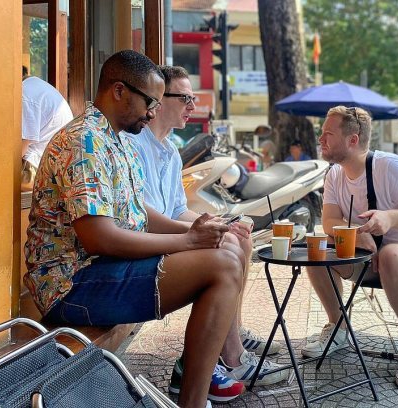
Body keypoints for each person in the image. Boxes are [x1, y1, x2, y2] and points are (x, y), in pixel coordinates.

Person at [24, 50, 240, 408]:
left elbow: (137, 211)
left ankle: (195, 387)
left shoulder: (119, 139)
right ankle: (194, 400)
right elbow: (100, 237)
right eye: (149, 102)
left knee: (227, 250)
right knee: (223, 264)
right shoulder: (84, 141)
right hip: (69, 284)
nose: (153, 112)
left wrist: (196, 231)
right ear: (119, 91)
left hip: (99, 271)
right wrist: (186, 240)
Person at [125, 66, 287, 401]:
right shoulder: (131, 142)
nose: (191, 106)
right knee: (226, 247)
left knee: (238, 235)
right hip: (146, 244)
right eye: (184, 97)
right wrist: (199, 230)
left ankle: (229, 347)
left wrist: (216, 220)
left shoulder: (169, 150)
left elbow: (176, 209)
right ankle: (226, 356)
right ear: (157, 99)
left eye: (193, 98)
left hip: (164, 236)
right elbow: (142, 215)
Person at [303, 106, 398, 389]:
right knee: (318, 247)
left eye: (328, 134)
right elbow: (330, 221)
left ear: (353, 140)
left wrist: (390, 217)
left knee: (394, 254)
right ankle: (338, 328)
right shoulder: (334, 175)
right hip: (368, 258)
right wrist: (357, 236)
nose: (321, 139)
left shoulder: (390, 166)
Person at [21, 66, 74, 191]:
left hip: (36, 170)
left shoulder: (24, 94)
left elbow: (20, 147)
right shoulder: (35, 85)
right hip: (57, 169)